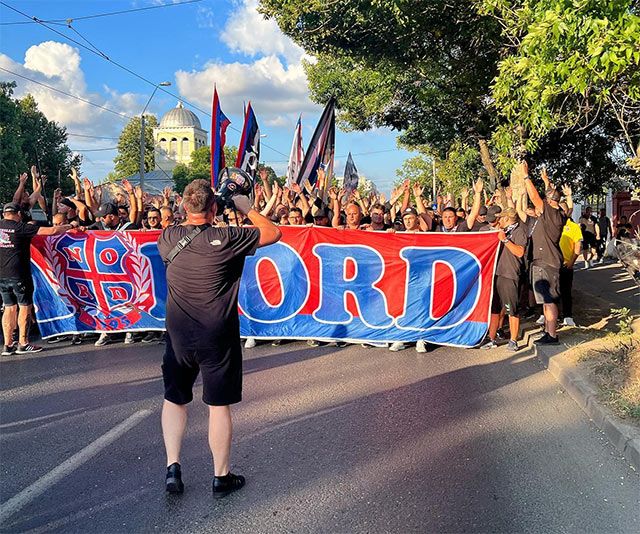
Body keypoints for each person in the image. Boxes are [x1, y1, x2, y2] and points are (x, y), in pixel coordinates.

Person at [157, 179, 281, 498]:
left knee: (175, 399)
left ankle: (173, 467)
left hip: (179, 334)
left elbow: (189, 231)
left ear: (186, 206)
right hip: (217, 334)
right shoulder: (227, 237)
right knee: (218, 406)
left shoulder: (167, 236)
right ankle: (220, 476)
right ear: (214, 208)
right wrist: (246, 207)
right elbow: (274, 233)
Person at [1, 202, 72, 355]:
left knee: (9, 307)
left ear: (4, 214)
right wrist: (70, 226)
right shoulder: (20, 227)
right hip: (19, 273)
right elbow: (52, 230)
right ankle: (23, 343)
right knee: (24, 306)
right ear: (19, 215)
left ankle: (7, 345)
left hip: (2, 275)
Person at [520, 163, 567, 345]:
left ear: (547, 203)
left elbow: (535, 196)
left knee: (550, 300)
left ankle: (552, 335)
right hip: (544, 261)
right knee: (546, 301)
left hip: (547, 262)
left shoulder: (552, 214)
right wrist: (546, 181)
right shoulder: (555, 212)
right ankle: (548, 331)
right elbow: (549, 196)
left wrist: (526, 176)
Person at [479, 208, 527, 352]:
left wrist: (505, 240)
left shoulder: (519, 232)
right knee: (494, 309)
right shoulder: (502, 231)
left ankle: (513, 340)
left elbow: (520, 252)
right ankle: (491, 339)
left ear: (507, 218)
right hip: (496, 274)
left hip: (509, 274)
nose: (498, 221)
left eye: (500, 218)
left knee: (511, 309)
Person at [558, 199, 582, 327]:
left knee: (566, 292)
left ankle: (567, 316)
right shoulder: (552, 225)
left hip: (567, 264)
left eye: (563, 210)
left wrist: (572, 262)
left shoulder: (573, 227)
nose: (561, 212)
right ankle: (550, 317)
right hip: (552, 264)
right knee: (552, 293)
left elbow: (578, 246)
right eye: (559, 210)